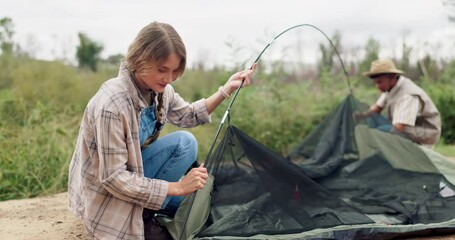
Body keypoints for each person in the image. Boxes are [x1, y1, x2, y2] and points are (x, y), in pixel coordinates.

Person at [68, 21, 256, 240]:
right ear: (140, 59)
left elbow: (188, 115)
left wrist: (226, 89)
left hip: (134, 172)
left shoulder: (159, 90)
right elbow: (113, 178)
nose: (168, 78)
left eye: (174, 70)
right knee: (181, 175)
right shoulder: (113, 104)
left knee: (190, 184)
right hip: (108, 191)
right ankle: (144, 215)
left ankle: (149, 208)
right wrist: (176, 187)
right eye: (162, 70)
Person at [353, 58, 441, 148]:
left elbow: (399, 128)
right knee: (371, 120)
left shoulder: (408, 95)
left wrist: (378, 139)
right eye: (375, 83)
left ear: (393, 77)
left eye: (380, 82)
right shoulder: (390, 89)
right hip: (403, 127)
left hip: (424, 134)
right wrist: (358, 116)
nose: (377, 86)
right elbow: (375, 110)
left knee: (382, 131)